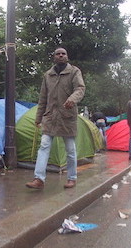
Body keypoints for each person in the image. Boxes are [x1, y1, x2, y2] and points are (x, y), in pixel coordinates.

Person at [25, 47, 85, 190]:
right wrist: (38, 118)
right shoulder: (48, 75)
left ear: (67, 56)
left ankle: (72, 178)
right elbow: (42, 98)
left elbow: (80, 88)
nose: (60, 55)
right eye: (57, 54)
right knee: (44, 146)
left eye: (63, 53)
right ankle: (39, 179)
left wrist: (72, 99)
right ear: (54, 57)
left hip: (67, 116)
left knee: (70, 149)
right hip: (50, 117)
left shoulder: (74, 72)